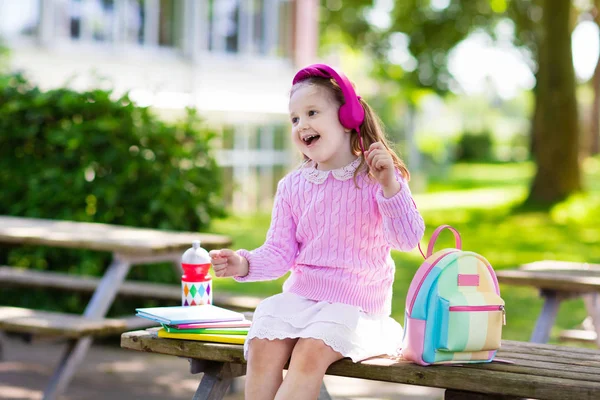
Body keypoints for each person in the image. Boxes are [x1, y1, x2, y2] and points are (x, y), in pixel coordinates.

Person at [209, 64, 425, 400]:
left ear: (347, 116)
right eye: (294, 118)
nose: (302, 124)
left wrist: (389, 186)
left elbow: (408, 239)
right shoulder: (293, 185)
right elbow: (280, 252)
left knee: (309, 355)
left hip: (356, 307)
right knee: (263, 344)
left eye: (312, 112)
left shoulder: (377, 176)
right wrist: (243, 264)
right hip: (301, 299)